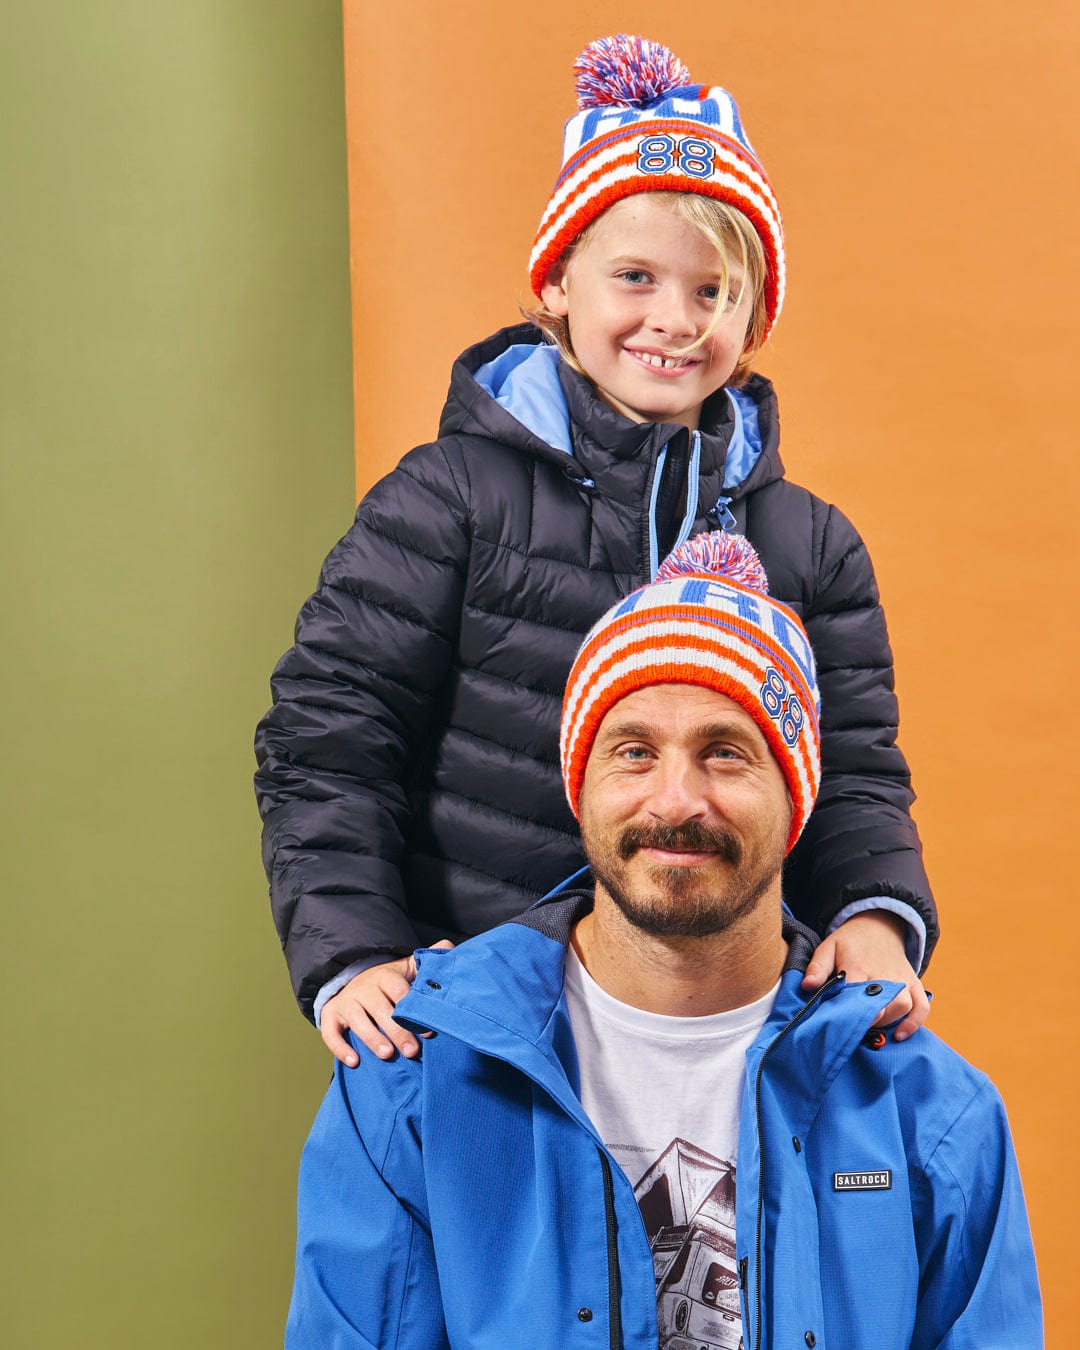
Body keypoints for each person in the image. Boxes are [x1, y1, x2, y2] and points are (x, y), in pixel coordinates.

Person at [255, 34, 937, 1067]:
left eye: (714, 292)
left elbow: (853, 778)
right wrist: (352, 950)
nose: (674, 319)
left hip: (726, 1021)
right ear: (558, 286)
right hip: (484, 1021)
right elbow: (330, 739)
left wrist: (874, 914)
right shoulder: (447, 503)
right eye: (635, 277)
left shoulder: (813, 547)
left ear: (752, 320)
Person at [286, 533, 1041, 1349]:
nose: (675, 800)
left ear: (798, 801)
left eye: (725, 753)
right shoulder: (413, 1083)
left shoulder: (931, 1112)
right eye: (635, 752)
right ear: (582, 790)